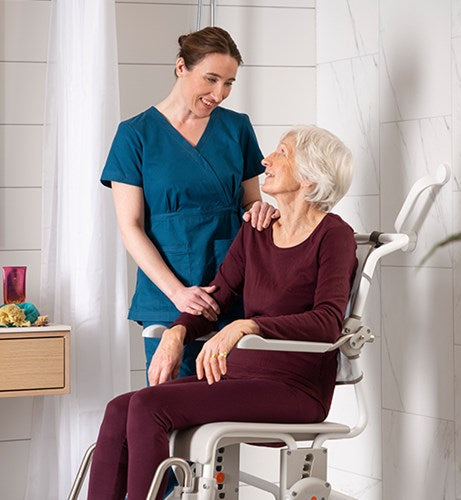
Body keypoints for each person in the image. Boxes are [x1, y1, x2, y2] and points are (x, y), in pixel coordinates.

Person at [88, 125, 358, 500]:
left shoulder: (334, 235)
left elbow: (328, 322)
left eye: (282, 152)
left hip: (295, 388)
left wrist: (249, 326)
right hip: (240, 377)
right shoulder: (258, 231)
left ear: (310, 179)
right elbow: (218, 297)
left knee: (150, 405)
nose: (267, 159)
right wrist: (177, 332)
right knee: (120, 408)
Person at [100, 26, 278, 382]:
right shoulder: (135, 135)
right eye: (211, 79)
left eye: (228, 83)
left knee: (231, 411)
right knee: (168, 409)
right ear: (181, 67)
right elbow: (130, 226)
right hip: (168, 292)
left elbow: (251, 201)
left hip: (234, 285)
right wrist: (177, 293)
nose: (219, 93)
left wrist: (260, 210)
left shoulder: (237, 128)